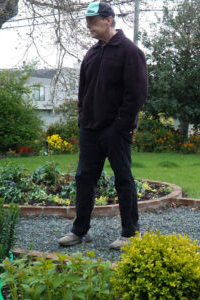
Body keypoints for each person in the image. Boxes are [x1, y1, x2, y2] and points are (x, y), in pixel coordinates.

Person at [58, 1, 148, 250]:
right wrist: (82, 117)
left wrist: (120, 125)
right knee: (84, 178)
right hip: (90, 128)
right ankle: (79, 231)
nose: (89, 26)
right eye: (88, 22)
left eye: (94, 21)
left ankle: (130, 234)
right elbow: (83, 90)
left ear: (109, 20)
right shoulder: (92, 52)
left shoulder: (129, 52)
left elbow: (137, 94)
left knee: (123, 180)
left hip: (115, 130)